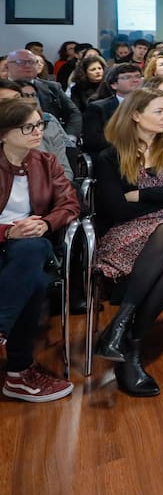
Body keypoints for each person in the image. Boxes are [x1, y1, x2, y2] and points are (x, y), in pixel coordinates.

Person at [92, 89, 163, 396]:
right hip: (127, 232)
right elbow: (117, 209)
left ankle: (120, 329)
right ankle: (130, 345)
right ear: (135, 115)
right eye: (158, 111)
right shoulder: (110, 155)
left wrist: (142, 195)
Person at [0, 98, 79, 402]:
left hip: (35, 244)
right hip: (6, 245)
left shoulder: (46, 162)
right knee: (33, 281)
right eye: (27, 126)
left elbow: (70, 204)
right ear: (4, 133)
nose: (37, 131)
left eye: (39, 124)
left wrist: (45, 223)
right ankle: (18, 374)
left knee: (32, 249)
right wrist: (9, 231)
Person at [0, 81, 73, 179]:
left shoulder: (47, 126)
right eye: (6, 101)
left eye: (17, 98)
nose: (15, 104)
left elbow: (65, 171)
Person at [5, 48, 82, 137]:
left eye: (31, 62)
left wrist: (70, 137)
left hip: (52, 139)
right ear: (7, 66)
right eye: (21, 62)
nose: (27, 66)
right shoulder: (3, 89)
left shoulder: (52, 87)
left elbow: (73, 113)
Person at [82, 63, 144, 153]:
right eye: (127, 77)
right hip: (115, 154)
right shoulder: (98, 108)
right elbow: (93, 141)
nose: (135, 80)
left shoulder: (152, 104)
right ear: (114, 85)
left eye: (138, 76)